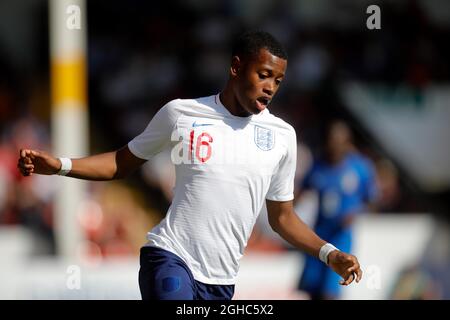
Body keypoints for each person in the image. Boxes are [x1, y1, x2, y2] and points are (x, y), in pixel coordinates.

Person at [17, 30, 362, 300]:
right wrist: (59, 165)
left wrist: (330, 254)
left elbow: (283, 218)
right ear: (236, 67)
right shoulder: (181, 114)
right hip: (170, 258)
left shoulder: (282, 136)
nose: (270, 87)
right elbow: (121, 163)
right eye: (264, 75)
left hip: (221, 282)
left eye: (278, 80)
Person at [296, 120, 377, 300]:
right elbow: (300, 193)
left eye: (339, 141)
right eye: (331, 141)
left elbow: (372, 200)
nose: (334, 146)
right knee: (312, 290)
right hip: (319, 235)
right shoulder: (318, 166)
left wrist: (356, 212)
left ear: (347, 142)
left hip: (341, 236)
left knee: (330, 291)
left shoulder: (360, 168)